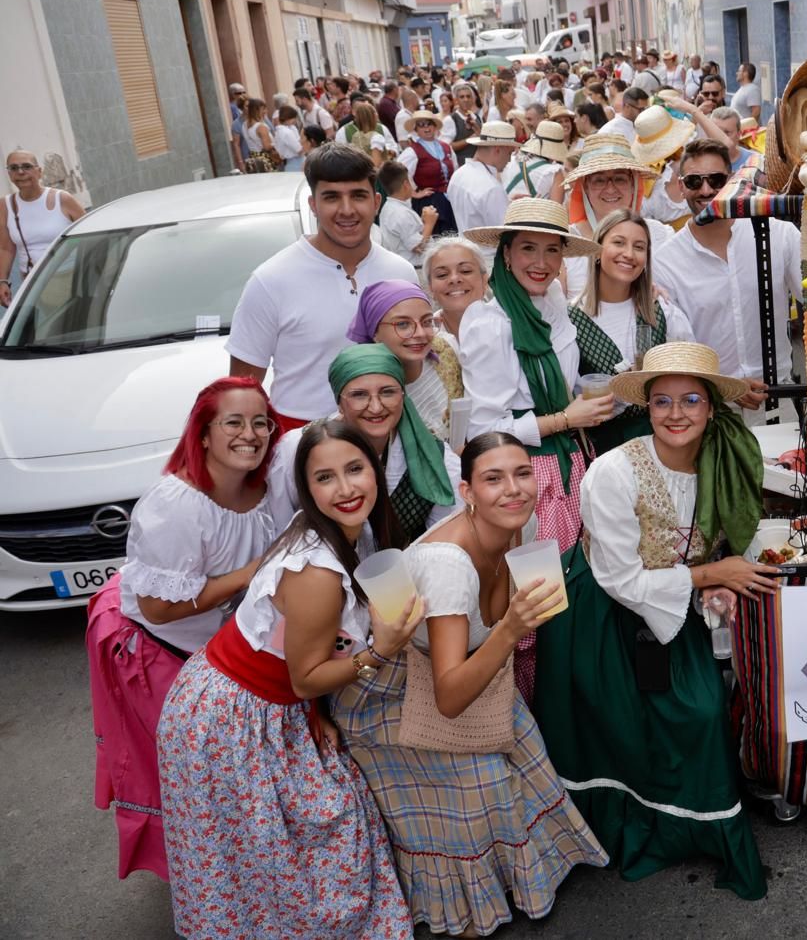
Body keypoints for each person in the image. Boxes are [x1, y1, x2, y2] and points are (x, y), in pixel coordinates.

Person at [328, 433, 607, 935]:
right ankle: (463, 901)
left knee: (526, 746)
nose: (514, 490)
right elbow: (450, 698)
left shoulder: (527, 524)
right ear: (466, 492)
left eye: (523, 474)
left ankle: (516, 872)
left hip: (473, 666)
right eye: (493, 479)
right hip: (394, 692)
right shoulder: (448, 566)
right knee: (486, 781)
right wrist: (511, 629)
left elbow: (529, 620)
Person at [156, 420, 422, 940]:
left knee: (291, 845)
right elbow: (305, 677)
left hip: (262, 705)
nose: (344, 489)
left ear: (377, 470)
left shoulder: (339, 529)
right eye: (325, 478)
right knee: (273, 855)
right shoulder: (318, 572)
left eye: (354, 469)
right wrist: (379, 651)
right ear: (307, 489)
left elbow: (304, 657)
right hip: (230, 719)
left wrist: (317, 713)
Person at [558, 341, 775, 899]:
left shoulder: (721, 462)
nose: (676, 414)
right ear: (646, 409)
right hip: (605, 612)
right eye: (662, 402)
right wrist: (711, 576)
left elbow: (712, 548)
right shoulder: (612, 473)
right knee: (623, 722)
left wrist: (716, 584)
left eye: (691, 400)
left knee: (699, 713)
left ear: (710, 408)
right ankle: (627, 822)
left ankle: (690, 825)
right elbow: (621, 581)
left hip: (674, 600)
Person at [85, 377, 281, 881]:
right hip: (158, 645)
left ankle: (244, 865)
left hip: (216, 644)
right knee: (188, 774)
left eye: (260, 422)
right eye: (233, 422)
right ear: (204, 433)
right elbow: (157, 608)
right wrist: (252, 571)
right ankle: (210, 878)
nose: (250, 433)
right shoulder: (177, 504)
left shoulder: (265, 488)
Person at [457, 198, 616, 699]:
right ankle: (541, 719)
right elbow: (485, 427)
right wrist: (564, 418)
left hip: (571, 466)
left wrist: (575, 413)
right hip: (527, 478)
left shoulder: (551, 307)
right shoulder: (489, 323)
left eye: (552, 250)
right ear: (505, 254)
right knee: (538, 608)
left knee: (580, 599)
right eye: (528, 248)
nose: (541, 262)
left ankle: (577, 716)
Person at [229, 144, 418, 426]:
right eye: (331, 197)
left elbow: (411, 369)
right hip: (300, 443)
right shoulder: (270, 280)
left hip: (390, 444)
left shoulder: (400, 272)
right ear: (314, 205)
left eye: (358, 196)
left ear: (376, 203)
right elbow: (242, 392)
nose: (346, 210)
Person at [653, 139, 802, 412]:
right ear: (681, 186)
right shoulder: (666, 261)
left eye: (716, 179)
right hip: (710, 406)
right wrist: (725, 386)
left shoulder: (779, 233)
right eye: (695, 181)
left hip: (778, 395)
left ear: (731, 181)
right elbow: (677, 346)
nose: (707, 190)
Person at [268, 344, 461, 546]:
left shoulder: (433, 457)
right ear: (339, 402)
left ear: (403, 396)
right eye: (359, 395)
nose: (376, 407)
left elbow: (446, 540)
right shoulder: (297, 447)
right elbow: (279, 530)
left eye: (387, 392)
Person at [570, 209, 695, 454]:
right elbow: (570, 397)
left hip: (664, 449)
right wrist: (619, 392)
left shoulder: (663, 311)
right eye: (618, 243)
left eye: (639, 247)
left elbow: (691, 378)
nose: (629, 254)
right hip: (601, 452)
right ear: (597, 250)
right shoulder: (570, 319)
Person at [347, 279, 464, 444]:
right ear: (374, 332)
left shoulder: (446, 351)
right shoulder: (363, 388)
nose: (420, 333)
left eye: (427, 322)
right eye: (403, 324)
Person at [561, 133, 675, 299]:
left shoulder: (661, 236)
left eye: (619, 179)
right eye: (599, 180)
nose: (610, 189)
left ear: (633, 184)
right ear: (585, 187)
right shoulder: (565, 242)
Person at [0, 148, 84, 305]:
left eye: (26, 166)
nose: (20, 172)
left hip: (69, 276)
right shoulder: (5, 205)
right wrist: (2, 281)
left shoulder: (63, 199)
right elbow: (6, 248)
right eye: (13, 168)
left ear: (39, 171)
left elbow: (89, 234)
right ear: (9, 174)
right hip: (32, 281)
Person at [446, 121, 520, 242]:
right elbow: (505, 232)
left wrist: (507, 201)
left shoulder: (458, 174)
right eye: (509, 153)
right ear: (497, 150)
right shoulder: (491, 187)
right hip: (488, 255)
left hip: (467, 248)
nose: (509, 160)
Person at [420, 236, 489, 349]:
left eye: (465, 270)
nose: (454, 279)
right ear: (430, 288)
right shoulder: (421, 337)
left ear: (485, 279)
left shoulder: (510, 326)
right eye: (442, 274)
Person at [397, 108, 457, 237]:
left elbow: (456, 171)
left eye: (429, 123)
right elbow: (398, 172)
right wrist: (414, 193)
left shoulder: (446, 147)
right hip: (429, 203)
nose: (426, 128)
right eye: (421, 125)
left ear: (435, 126)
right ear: (416, 130)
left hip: (449, 201)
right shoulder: (412, 151)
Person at [374, 160, 436, 268]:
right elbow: (419, 247)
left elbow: (407, 233)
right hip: (416, 268)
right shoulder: (400, 213)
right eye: (410, 180)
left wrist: (423, 221)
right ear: (406, 184)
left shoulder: (391, 208)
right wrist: (430, 223)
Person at [504, 119, 570, 202]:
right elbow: (555, 211)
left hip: (507, 213)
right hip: (535, 214)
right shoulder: (555, 172)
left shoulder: (511, 160)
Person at [240, 97, 276, 171]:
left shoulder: (244, 125)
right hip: (265, 160)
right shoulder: (261, 126)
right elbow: (267, 147)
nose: (265, 111)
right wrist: (276, 143)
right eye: (263, 109)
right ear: (256, 110)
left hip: (253, 159)